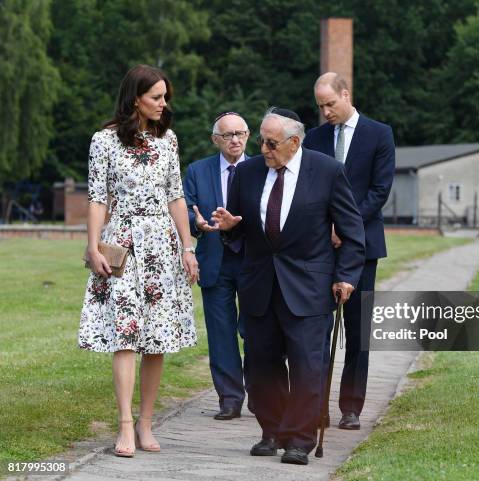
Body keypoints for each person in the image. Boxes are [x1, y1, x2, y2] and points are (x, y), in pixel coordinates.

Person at [211, 108, 365, 465]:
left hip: (309, 287)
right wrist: (231, 226)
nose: (262, 149)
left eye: (271, 142)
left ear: (294, 142)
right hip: (260, 284)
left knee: (308, 366)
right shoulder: (248, 173)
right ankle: (273, 428)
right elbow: (237, 231)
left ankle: (299, 438)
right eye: (262, 140)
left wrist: (346, 276)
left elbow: (353, 232)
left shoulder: (327, 171)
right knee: (261, 366)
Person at [78, 64, 199, 458]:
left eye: (166, 97)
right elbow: (97, 199)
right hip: (123, 246)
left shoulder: (169, 141)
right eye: (157, 97)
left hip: (162, 247)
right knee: (125, 335)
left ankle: (147, 422)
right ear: (136, 100)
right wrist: (94, 247)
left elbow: (176, 197)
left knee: (156, 338)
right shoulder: (104, 141)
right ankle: (126, 425)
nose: (164, 104)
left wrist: (187, 247)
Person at [303, 72, 395, 430]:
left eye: (330, 104)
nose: (325, 112)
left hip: (363, 247)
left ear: (346, 95)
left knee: (358, 332)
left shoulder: (379, 134)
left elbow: (380, 190)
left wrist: (346, 226)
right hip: (322, 248)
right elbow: (309, 189)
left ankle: (351, 407)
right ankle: (317, 405)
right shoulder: (314, 138)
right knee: (319, 331)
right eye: (320, 106)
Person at [183, 112, 250, 420]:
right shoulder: (198, 171)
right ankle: (230, 398)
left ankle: (262, 394)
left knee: (256, 331)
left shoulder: (262, 168)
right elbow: (185, 210)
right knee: (221, 333)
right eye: (228, 135)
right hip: (215, 261)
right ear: (215, 140)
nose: (235, 140)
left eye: (240, 133)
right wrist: (194, 224)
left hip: (254, 262)